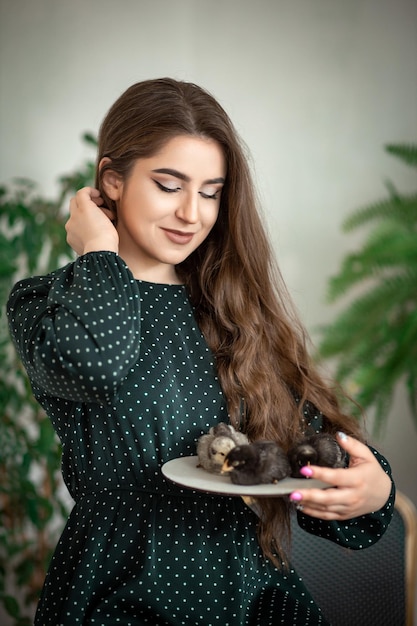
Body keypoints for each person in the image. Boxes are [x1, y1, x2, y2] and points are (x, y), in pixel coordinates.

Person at [7, 78, 394, 626]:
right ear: (111, 180)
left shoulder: (233, 309)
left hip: (251, 592)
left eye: (211, 192)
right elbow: (94, 365)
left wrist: (371, 487)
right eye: (169, 185)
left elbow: (313, 447)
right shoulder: (46, 302)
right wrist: (99, 250)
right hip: (119, 588)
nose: (192, 213)